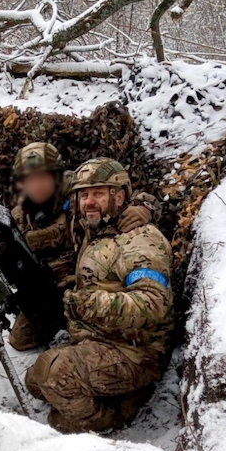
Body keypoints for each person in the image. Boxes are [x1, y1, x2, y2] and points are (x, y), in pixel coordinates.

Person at [24, 157, 174, 433]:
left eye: (98, 194)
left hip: (135, 351)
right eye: (83, 195)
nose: (88, 201)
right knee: (34, 382)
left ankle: (110, 419)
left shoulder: (139, 239)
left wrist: (85, 304)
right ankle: (115, 394)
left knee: (53, 375)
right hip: (99, 337)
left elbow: (153, 304)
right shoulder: (96, 227)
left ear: (118, 196)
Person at [7, 143, 152, 351]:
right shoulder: (19, 216)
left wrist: (143, 207)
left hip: (88, 282)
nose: (36, 185)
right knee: (20, 341)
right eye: (29, 179)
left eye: (43, 177)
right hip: (47, 289)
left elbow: (119, 195)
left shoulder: (79, 196)